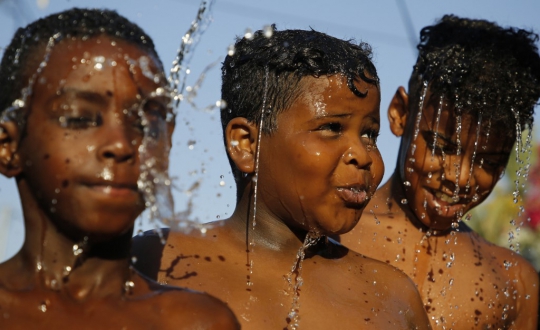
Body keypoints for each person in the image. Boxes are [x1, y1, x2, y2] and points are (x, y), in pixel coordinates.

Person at [133, 26, 431, 329]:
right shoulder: (156, 260)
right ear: (247, 145)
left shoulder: (392, 297)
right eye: (332, 128)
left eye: (370, 134)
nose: (364, 155)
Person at [0, 8, 239, 329]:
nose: (123, 144)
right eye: (80, 118)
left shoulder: (194, 322)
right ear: (8, 148)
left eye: (146, 121)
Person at [337, 15, 540, 329]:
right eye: (441, 146)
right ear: (401, 114)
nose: (459, 178)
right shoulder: (330, 234)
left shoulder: (514, 282)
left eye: (487, 162)